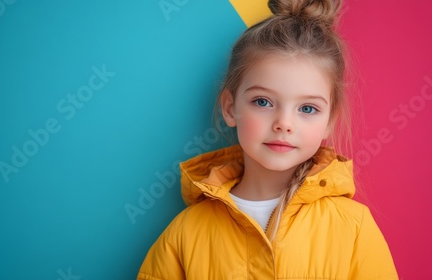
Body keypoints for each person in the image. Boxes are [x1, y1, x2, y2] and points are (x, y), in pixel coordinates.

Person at [138, 0, 398, 279]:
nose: (284, 124)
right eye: (262, 102)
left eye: (307, 108)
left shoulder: (354, 228)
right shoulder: (183, 235)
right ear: (230, 108)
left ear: (329, 122)